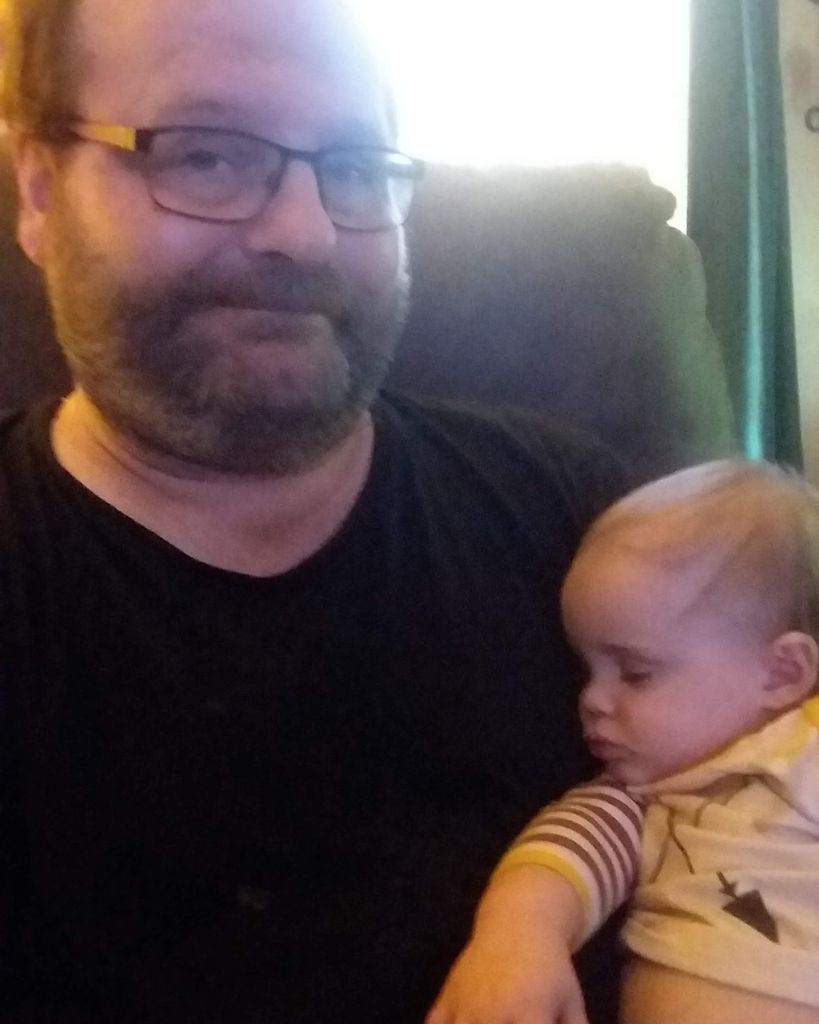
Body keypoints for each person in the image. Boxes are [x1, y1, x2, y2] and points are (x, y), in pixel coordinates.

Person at [0, 1, 628, 1020]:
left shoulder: (584, 528)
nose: (304, 232)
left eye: (355, 166)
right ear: (38, 191)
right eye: (205, 155)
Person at [428, 459, 819, 1024]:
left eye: (635, 673)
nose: (592, 699)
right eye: (585, 670)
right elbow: (557, 863)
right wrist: (519, 936)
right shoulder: (633, 800)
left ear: (782, 672)